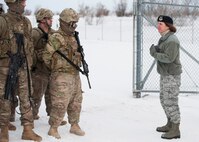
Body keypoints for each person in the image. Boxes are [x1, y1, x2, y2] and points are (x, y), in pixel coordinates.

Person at [0, 0, 42, 141]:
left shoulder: (26, 22)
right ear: (14, 3)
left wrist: (28, 64)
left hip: (23, 67)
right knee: (5, 98)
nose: (25, 4)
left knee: (26, 97)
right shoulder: (2, 21)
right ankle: (4, 131)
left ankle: (28, 130)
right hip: (6, 67)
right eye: (22, 1)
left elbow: (29, 46)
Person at [42, 8, 85, 139]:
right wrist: (58, 68)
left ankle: (74, 125)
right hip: (61, 77)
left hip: (75, 75)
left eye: (75, 24)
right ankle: (53, 128)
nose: (74, 26)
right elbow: (46, 57)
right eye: (72, 24)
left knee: (76, 101)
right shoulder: (56, 37)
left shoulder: (73, 37)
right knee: (60, 103)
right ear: (64, 23)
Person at [31, 8, 67, 126]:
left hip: (51, 70)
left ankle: (54, 117)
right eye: (49, 18)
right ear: (42, 20)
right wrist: (39, 55)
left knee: (52, 95)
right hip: (38, 70)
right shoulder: (35, 33)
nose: (51, 20)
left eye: (51, 18)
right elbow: (28, 51)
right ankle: (30, 116)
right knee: (36, 95)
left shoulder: (53, 33)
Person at [150, 15, 182, 139]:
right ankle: (170, 124)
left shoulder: (172, 40)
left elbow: (169, 58)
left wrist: (155, 53)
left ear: (168, 26)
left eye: (161, 24)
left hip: (172, 76)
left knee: (171, 102)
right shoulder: (164, 39)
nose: (158, 26)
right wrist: (158, 50)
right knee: (164, 100)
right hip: (165, 74)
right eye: (158, 23)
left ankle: (175, 129)